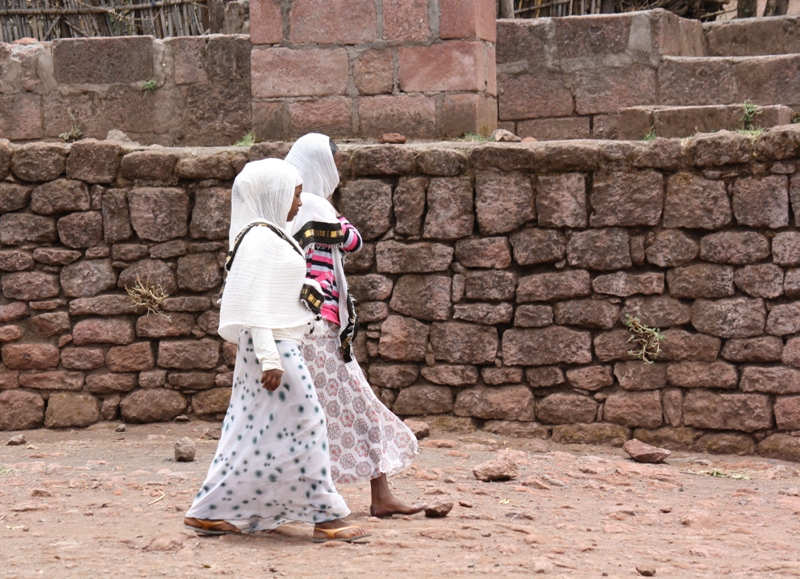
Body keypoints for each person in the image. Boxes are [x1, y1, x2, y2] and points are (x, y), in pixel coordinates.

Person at [184, 158, 370, 543]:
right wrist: (270, 359)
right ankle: (325, 516)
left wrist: (309, 294)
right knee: (308, 423)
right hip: (274, 349)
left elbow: (275, 294)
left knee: (249, 431)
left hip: (276, 344)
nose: (299, 204)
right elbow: (255, 306)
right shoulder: (260, 239)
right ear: (273, 194)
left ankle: (209, 511)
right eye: (295, 195)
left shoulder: (270, 234)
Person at [286, 133, 424, 518]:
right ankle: (373, 496)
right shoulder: (314, 205)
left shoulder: (288, 206)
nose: (339, 175)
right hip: (320, 328)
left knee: (313, 412)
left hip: (304, 325)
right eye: (337, 166)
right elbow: (353, 241)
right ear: (320, 166)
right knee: (355, 406)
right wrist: (331, 211)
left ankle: (374, 495)